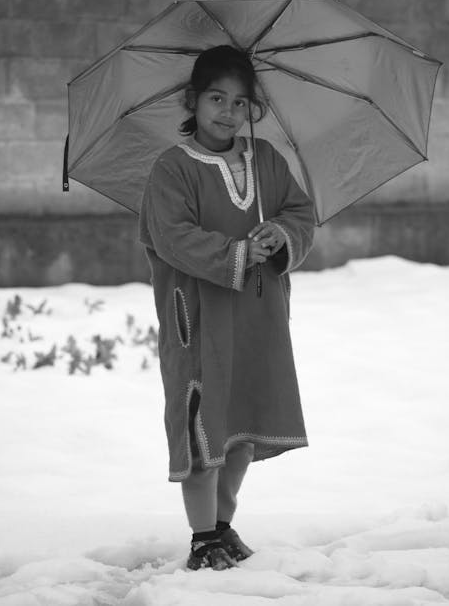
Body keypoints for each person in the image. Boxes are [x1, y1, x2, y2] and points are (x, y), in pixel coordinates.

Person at [139, 45, 315, 571]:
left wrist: (279, 232)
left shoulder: (266, 162)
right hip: (199, 319)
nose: (227, 112)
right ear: (193, 101)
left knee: (244, 424)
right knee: (204, 424)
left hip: (257, 318)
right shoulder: (172, 169)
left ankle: (222, 525)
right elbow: (171, 238)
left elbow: (300, 212)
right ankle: (201, 536)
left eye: (240, 103)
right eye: (216, 98)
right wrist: (237, 252)